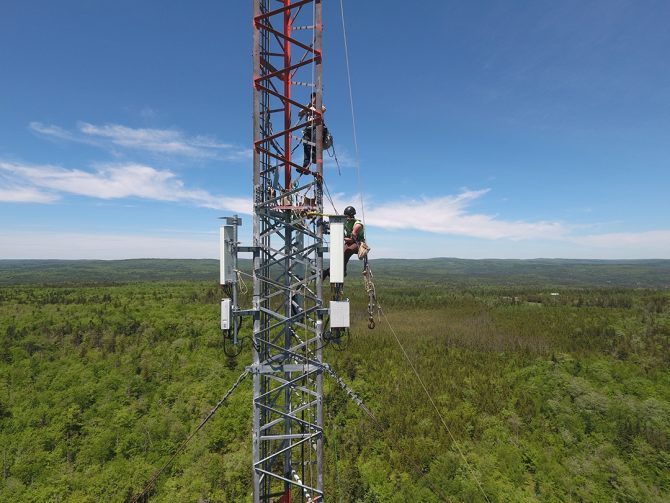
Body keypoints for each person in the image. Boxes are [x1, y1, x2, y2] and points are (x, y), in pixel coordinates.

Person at [323, 205, 365, 280]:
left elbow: (352, 240)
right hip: (350, 241)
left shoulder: (357, 225)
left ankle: (342, 271)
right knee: (338, 254)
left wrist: (341, 237)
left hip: (358, 243)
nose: (346, 218)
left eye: (347, 216)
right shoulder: (347, 222)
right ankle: (327, 272)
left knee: (346, 252)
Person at [299, 92, 326, 170]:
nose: (313, 99)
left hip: (317, 126)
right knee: (306, 144)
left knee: (315, 139)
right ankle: (306, 165)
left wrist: (313, 106)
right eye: (313, 97)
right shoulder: (308, 106)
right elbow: (299, 113)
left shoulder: (319, 106)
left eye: (315, 98)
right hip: (308, 128)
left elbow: (323, 109)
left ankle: (314, 155)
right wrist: (307, 107)